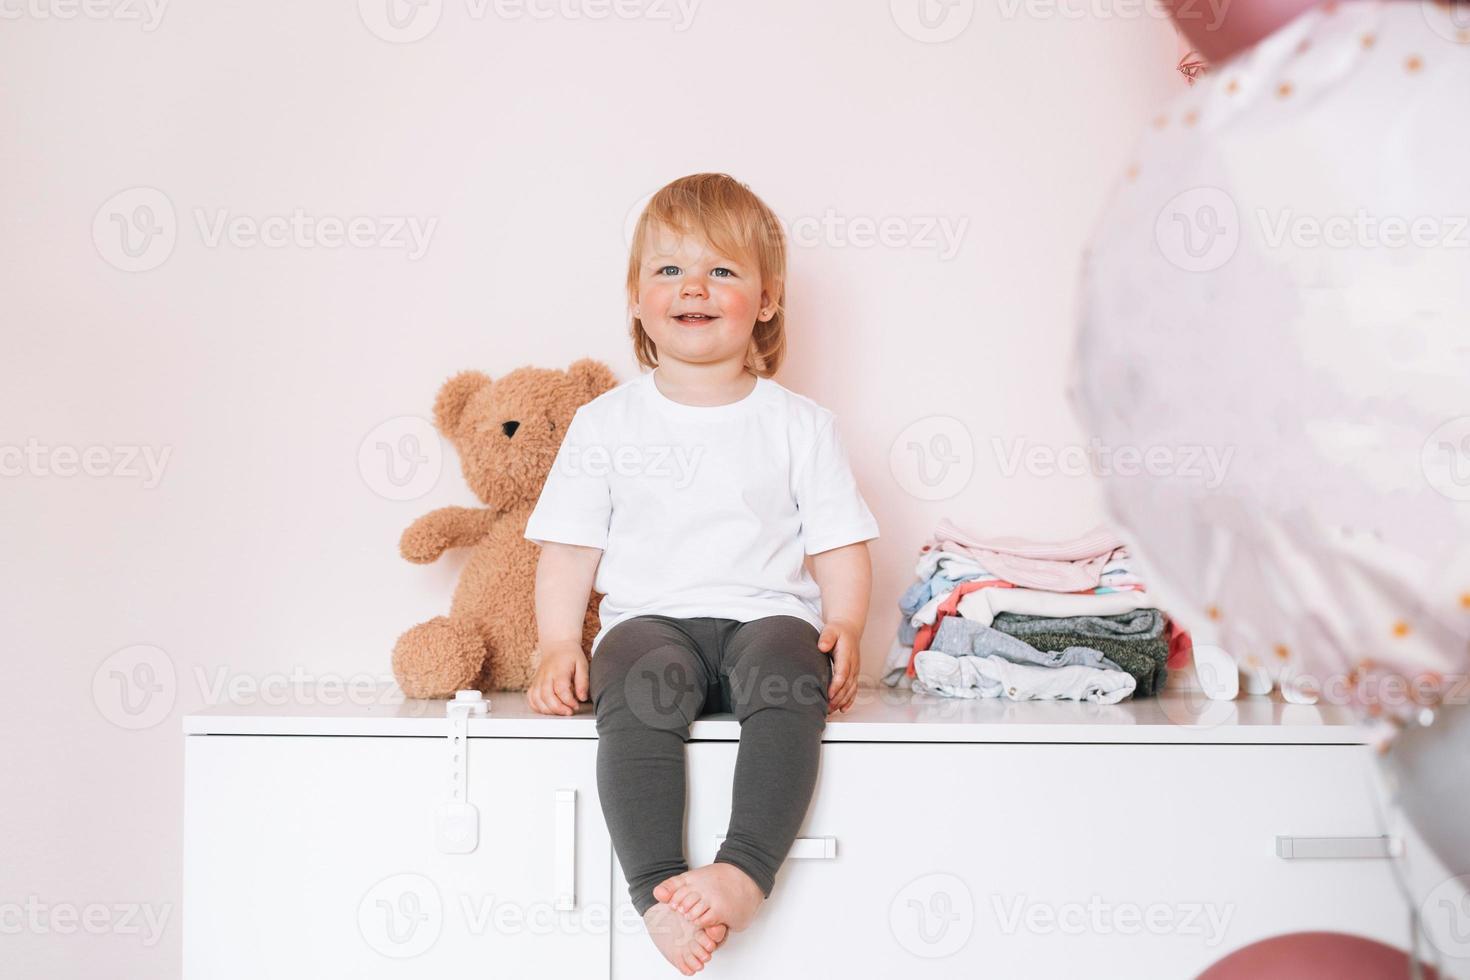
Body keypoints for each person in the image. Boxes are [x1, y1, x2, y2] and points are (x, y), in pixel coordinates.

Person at [522, 173, 879, 975]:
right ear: (637, 299)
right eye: (669, 270)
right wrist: (555, 643)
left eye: (721, 271)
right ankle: (654, 893)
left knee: (794, 676)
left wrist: (847, 625)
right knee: (639, 686)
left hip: (766, 624)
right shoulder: (606, 422)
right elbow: (570, 548)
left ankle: (745, 869)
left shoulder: (798, 424)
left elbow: (839, 542)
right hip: (654, 623)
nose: (694, 287)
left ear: (766, 299)